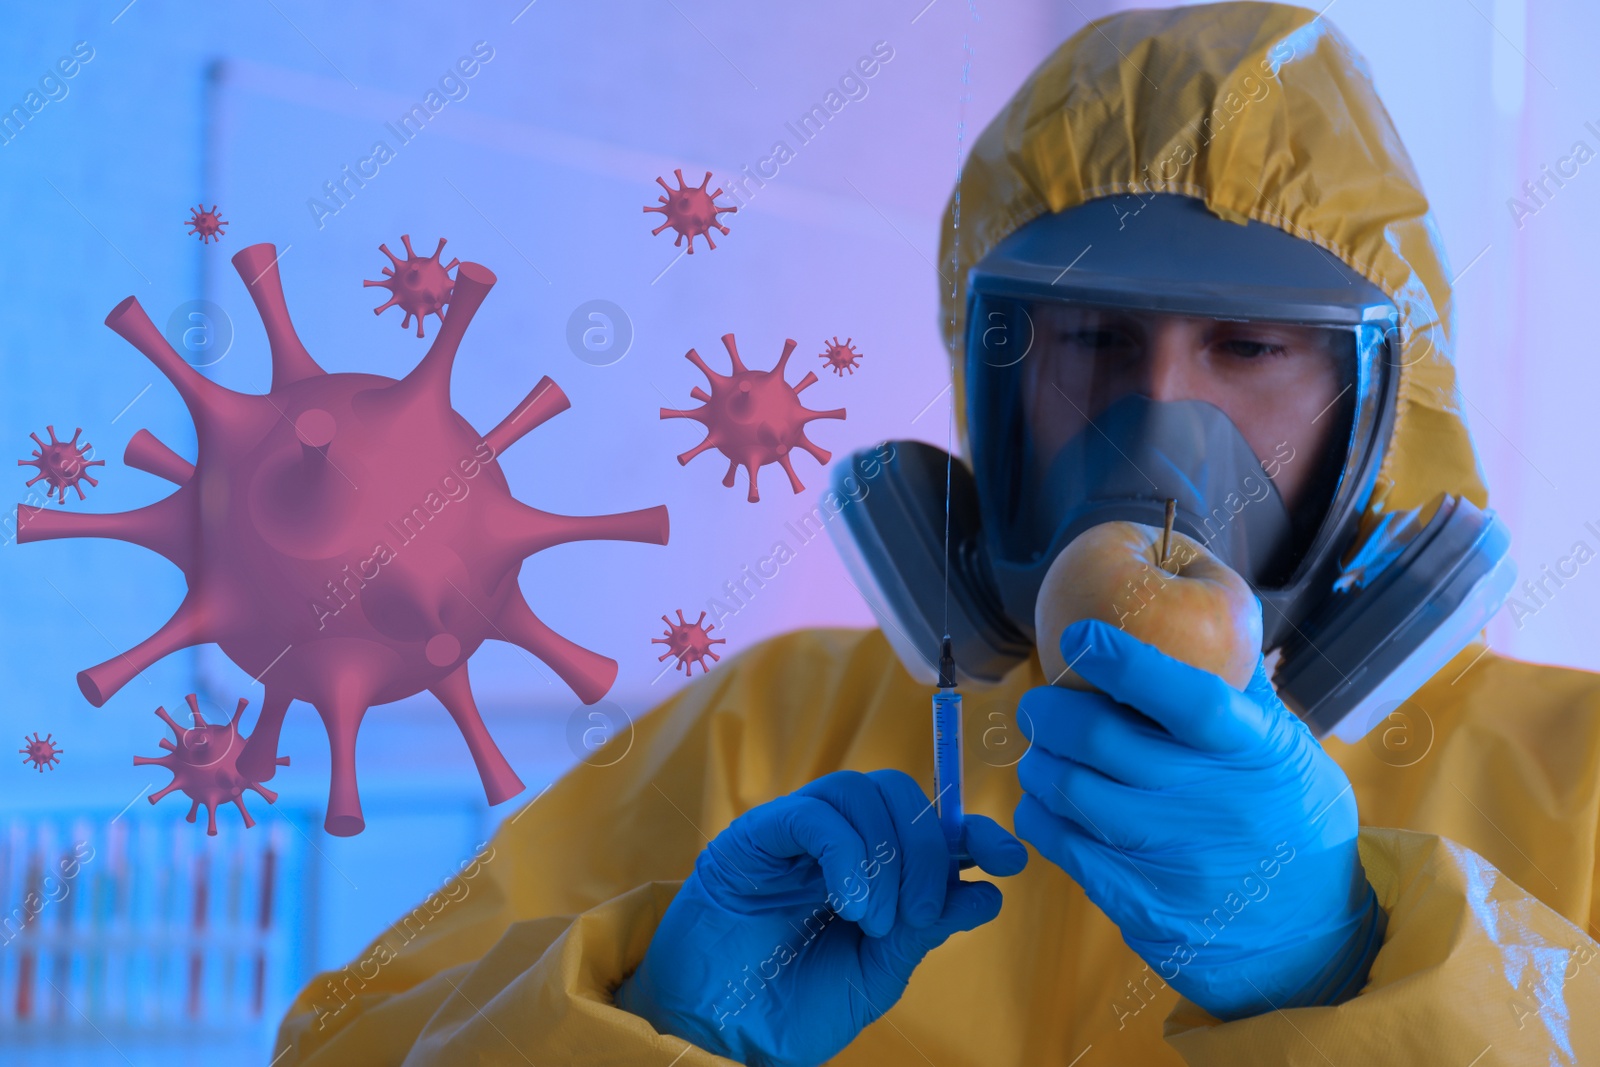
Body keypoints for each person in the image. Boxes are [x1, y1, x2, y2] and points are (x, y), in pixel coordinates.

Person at [271, 4, 1600, 1064]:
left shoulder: (1573, 784)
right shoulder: (769, 735)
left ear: (1386, 410)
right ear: (987, 378)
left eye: (1248, 349)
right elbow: (353, 1044)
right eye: (1090, 343)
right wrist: (649, 1021)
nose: (1156, 422)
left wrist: (1351, 970)